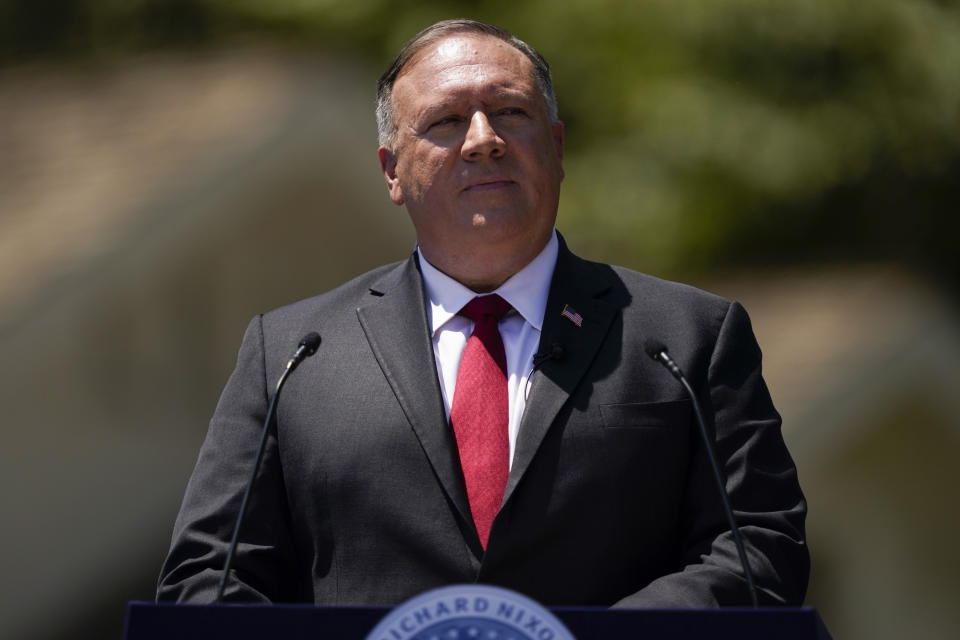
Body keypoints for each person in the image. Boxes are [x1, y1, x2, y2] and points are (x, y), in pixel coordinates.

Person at [157, 19, 809, 607]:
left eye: (510, 112)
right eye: (445, 121)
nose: (483, 140)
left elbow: (760, 551)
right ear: (391, 170)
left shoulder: (686, 337)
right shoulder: (294, 354)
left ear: (556, 146)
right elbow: (206, 581)